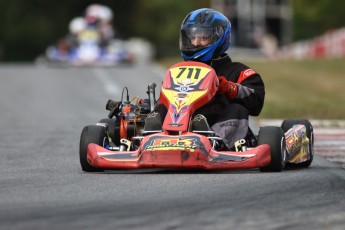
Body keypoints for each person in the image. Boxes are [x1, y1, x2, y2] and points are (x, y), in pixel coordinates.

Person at [147, 8, 265, 150]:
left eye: (203, 38)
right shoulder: (179, 71)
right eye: (192, 37)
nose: (195, 43)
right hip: (181, 123)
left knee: (238, 109)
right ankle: (151, 136)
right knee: (163, 106)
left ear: (219, 38)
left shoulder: (238, 71)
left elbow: (256, 100)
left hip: (217, 126)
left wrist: (230, 88)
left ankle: (214, 141)